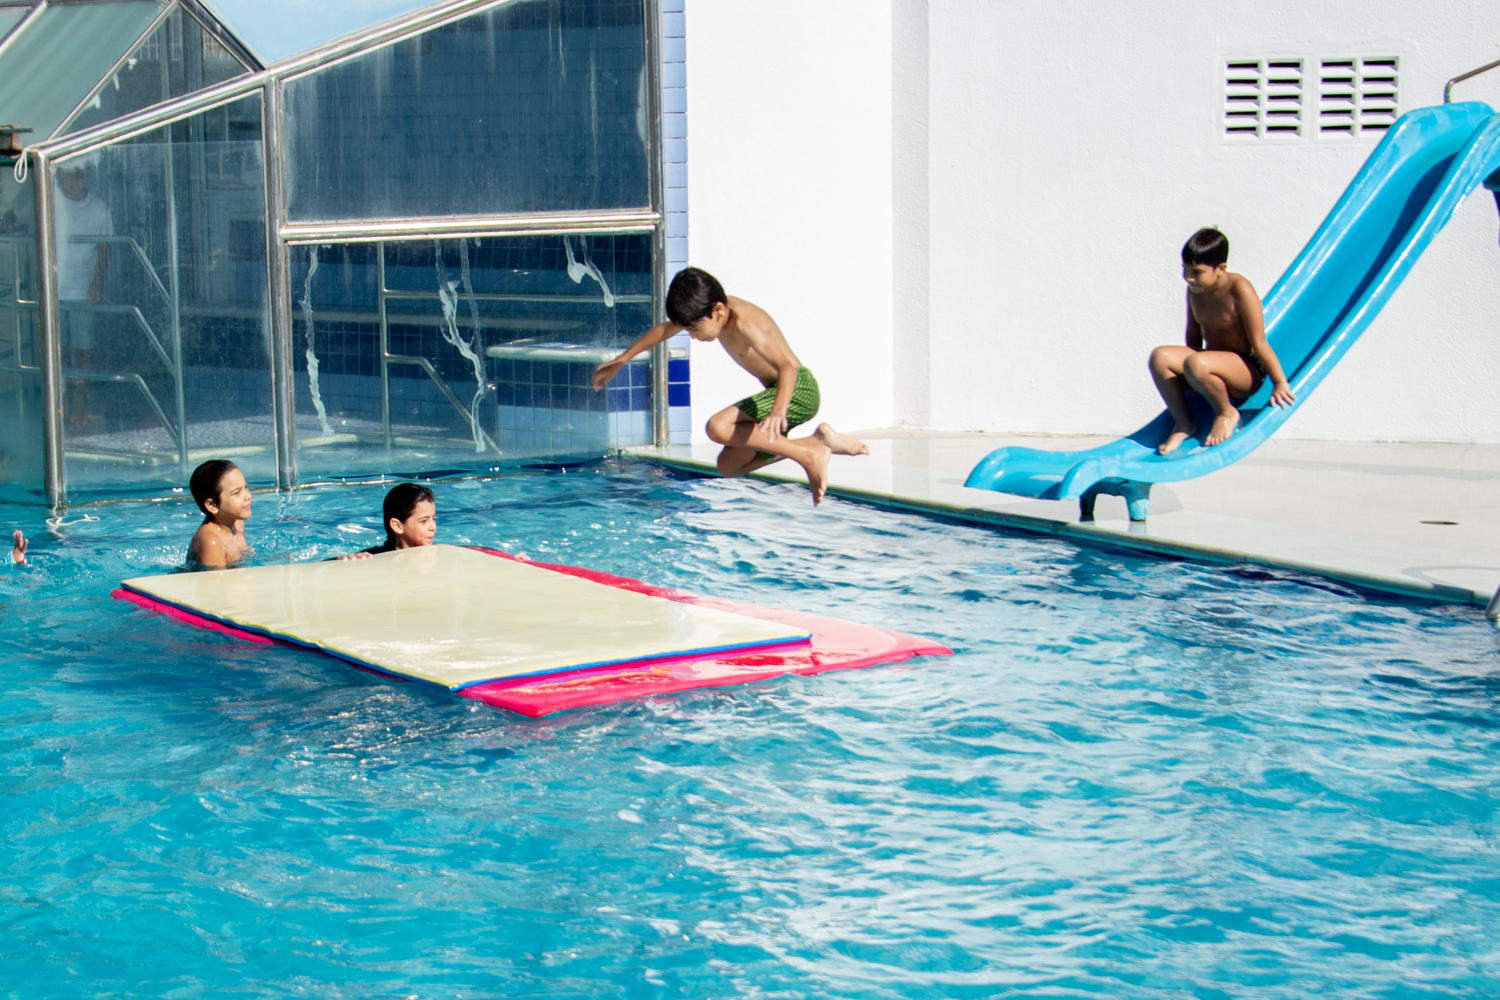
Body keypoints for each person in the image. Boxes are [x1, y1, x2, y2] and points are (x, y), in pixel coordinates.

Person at [591, 267, 868, 504]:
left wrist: (778, 411)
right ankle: (816, 443)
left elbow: (787, 368)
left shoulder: (744, 322)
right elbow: (663, 330)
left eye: (695, 329)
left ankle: (807, 456)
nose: (693, 337)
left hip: (797, 391)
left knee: (718, 427)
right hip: (777, 393)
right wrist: (622, 359)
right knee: (729, 466)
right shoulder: (710, 309)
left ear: (718, 310)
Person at [1149, 228, 1296, 455]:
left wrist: (1279, 382)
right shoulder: (1195, 290)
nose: (1188, 277)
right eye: (1185, 269)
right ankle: (1184, 422)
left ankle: (1226, 412)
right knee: (1159, 357)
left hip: (1245, 369)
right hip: (1208, 364)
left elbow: (1259, 341)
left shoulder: (1240, 289)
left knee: (1196, 363)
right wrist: (1192, 380)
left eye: (1197, 272)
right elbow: (1193, 335)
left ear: (1221, 268)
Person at [54, 160, 112, 432]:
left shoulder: (98, 207)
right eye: (69, 174)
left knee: (82, 350)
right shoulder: (51, 203)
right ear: (59, 174)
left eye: (79, 174)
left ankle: (80, 405)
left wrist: (98, 281)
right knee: (58, 349)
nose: (74, 180)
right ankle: (62, 403)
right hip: (54, 288)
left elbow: (105, 246)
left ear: (88, 173)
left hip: (82, 290)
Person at [339, 483, 437, 559]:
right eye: (424, 521)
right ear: (397, 526)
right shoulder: (375, 556)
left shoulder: (439, 550)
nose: (433, 527)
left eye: (433, 519)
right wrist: (343, 559)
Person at [187, 459, 253, 568]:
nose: (247, 496)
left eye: (245, 487)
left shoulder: (237, 523)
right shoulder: (211, 542)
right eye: (236, 492)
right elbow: (217, 579)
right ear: (212, 505)